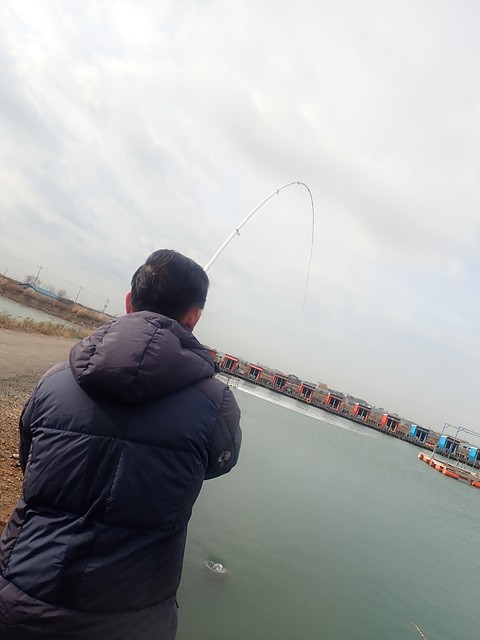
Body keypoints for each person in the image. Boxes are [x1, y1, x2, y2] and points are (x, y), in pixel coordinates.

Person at [0, 249, 241, 640]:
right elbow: (220, 463)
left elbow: (30, 459)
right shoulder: (217, 405)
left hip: (17, 602)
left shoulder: (54, 380)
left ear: (129, 301)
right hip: (133, 624)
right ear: (193, 318)